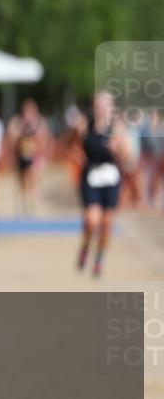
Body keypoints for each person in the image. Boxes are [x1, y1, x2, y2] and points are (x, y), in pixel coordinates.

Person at [74, 91, 132, 278]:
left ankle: (99, 258)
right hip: (91, 177)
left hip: (111, 178)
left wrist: (119, 149)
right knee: (92, 220)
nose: (102, 108)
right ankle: (85, 246)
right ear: (94, 107)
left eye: (106, 105)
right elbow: (70, 146)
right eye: (99, 105)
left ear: (111, 108)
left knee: (107, 223)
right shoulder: (85, 126)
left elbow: (128, 157)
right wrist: (79, 158)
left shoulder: (117, 128)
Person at [6, 99, 50, 216]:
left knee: (34, 179)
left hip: (35, 156)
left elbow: (45, 140)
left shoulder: (40, 123)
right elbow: (11, 139)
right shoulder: (17, 122)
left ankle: (33, 205)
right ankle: (22, 205)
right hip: (21, 156)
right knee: (22, 181)